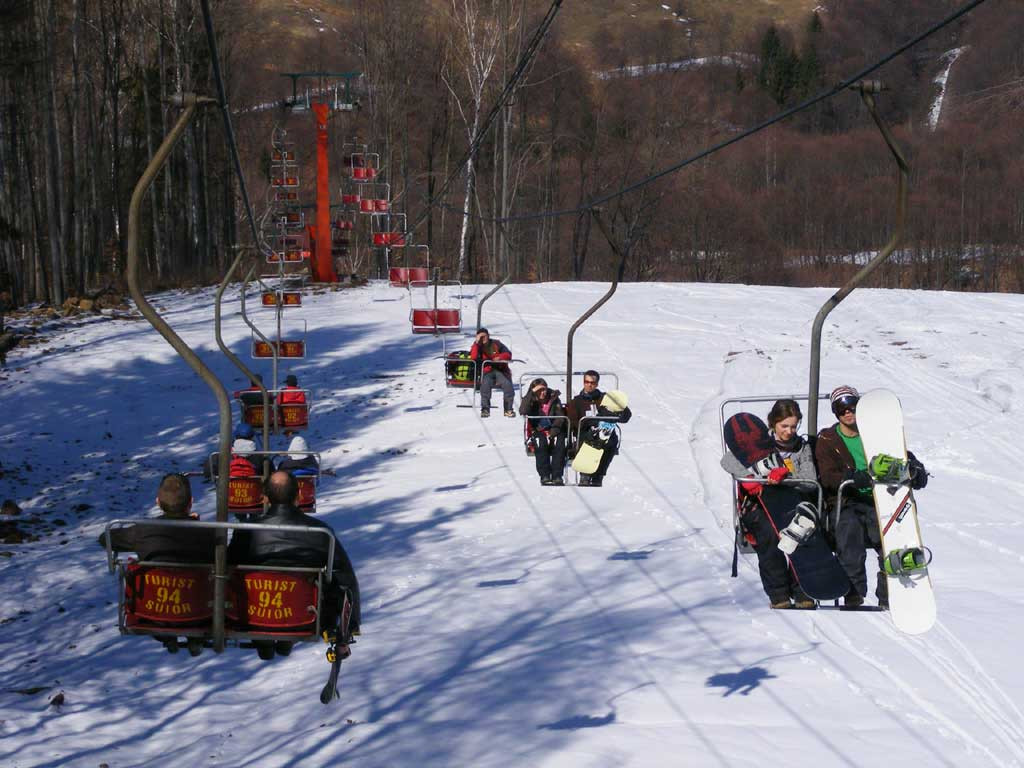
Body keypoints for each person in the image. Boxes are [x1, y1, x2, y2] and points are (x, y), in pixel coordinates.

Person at [814, 385, 928, 609]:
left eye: (852, 406)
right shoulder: (828, 439)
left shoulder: (875, 433)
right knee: (849, 531)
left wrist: (915, 469)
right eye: (841, 408)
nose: (848, 412)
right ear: (836, 412)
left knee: (890, 535)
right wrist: (853, 478)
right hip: (847, 500)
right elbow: (827, 476)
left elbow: (899, 454)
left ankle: (890, 592)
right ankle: (853, 592)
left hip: (879, 499)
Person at [227, 471, 360, 659]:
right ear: (298, 496)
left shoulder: (246, 532)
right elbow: (345, 580)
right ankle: (284, 639)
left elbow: (227, 570)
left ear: (265, 498)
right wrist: (347, 630)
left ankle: (265, 642)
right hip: (304, 618)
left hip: (251, 616)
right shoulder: (319, 532)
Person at [721, 399, 817, 609]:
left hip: (793, 501)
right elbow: (727, 460)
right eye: (784, 426)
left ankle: (802, 590)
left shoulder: (801, 448)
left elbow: (810, 480)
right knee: (769, 534)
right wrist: (750, 478)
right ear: (773, 423)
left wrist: (787, 476)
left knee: (799, 533)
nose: (789, 432)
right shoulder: (758, 443)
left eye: (793, 427)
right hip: (761, 504)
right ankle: (778, 593)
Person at [98, 473, 214, 561]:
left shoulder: (143, 531)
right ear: (191, 502)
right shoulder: (208, 534)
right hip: (197, 586)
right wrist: (194, 523)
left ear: (158, 503)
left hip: (151, 586)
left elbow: (105, 538)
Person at [566, 370, 632, 487]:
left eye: (592, 383)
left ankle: (598, 475)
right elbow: (573, 421)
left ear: (597, 384)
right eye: (586, 382)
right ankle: (585, 474)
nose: (589, 385)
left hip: (605, 431)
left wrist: (619, 415)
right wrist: (591, 422)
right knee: (590, 442)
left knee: (610, 442)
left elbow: (626, 415)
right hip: (586, 431)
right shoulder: (577, 401)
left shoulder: (605, 398)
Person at [518, 378, 568, 486]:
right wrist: (531, 393)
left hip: (554, 429)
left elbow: (560, 416)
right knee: (541, 442)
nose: (542, 393)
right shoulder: (531, 400)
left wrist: (553, 431)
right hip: (538, 430)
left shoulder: (553, 398)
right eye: (539, 390)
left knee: (559, 443)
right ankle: (545, 475)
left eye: (544, 389)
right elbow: (523, 410)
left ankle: (557, 475)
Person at [469, 327, 515, 418]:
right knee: (485, 385)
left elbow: (508, 354)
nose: (483, 338)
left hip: (500, 370)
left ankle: (508, 409)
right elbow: (473, 357)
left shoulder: (496, 344)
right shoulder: (477, 346)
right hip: (487, 371)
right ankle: (485, 408)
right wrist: (477, 343)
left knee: (507, 384)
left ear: (488, 336)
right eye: (481, 337)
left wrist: (500, 357)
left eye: (484, 336)